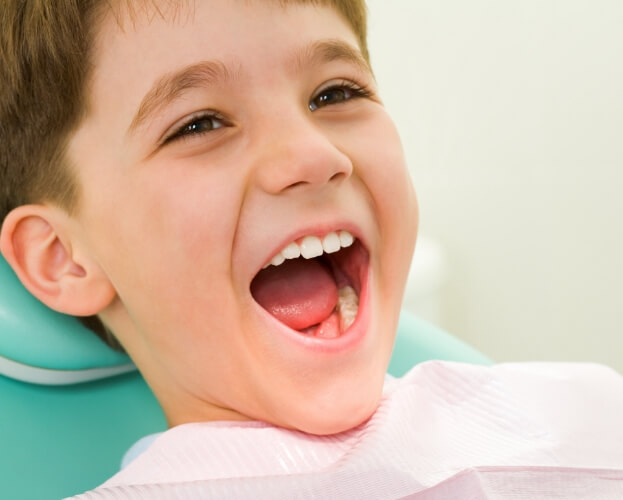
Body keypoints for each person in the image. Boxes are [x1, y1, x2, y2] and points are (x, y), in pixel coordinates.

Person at [1, 1, 621, 498]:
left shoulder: (584, 414)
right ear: (62, 257)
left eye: (336, 94)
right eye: (199, 125)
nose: (317, 157)